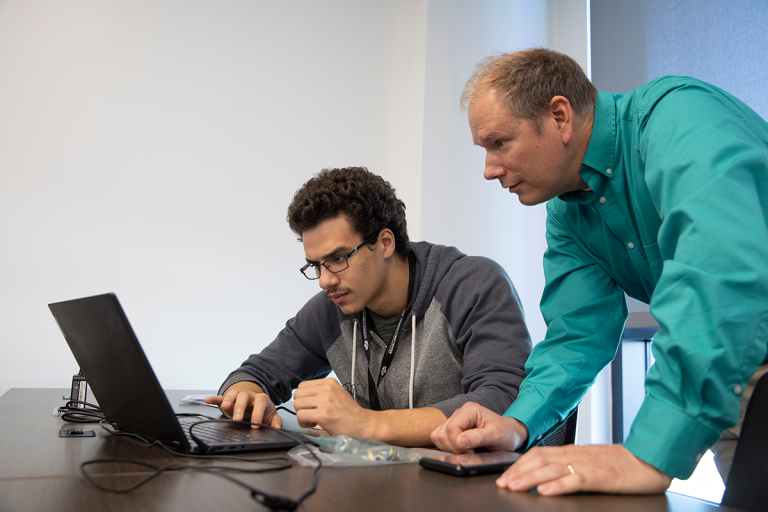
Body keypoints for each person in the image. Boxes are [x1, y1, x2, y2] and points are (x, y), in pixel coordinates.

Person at [431, 48, 768, 495]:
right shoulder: (568, 212)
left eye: (499, 142)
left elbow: (718, 282)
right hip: (733, 381)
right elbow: (578, 334)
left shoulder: (678, 118)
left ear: (559, 116)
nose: (490, 170)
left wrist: (647, 453)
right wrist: (514, 423)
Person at [205, 167, 532, 446]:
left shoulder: (473, 284)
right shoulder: (332, 307)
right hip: (377, 486)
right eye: (316, 265)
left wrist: (367, 424)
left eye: (337, 258)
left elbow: (502, 400)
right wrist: (246, 393)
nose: (324, 281)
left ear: (385, 242)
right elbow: (256, 373)